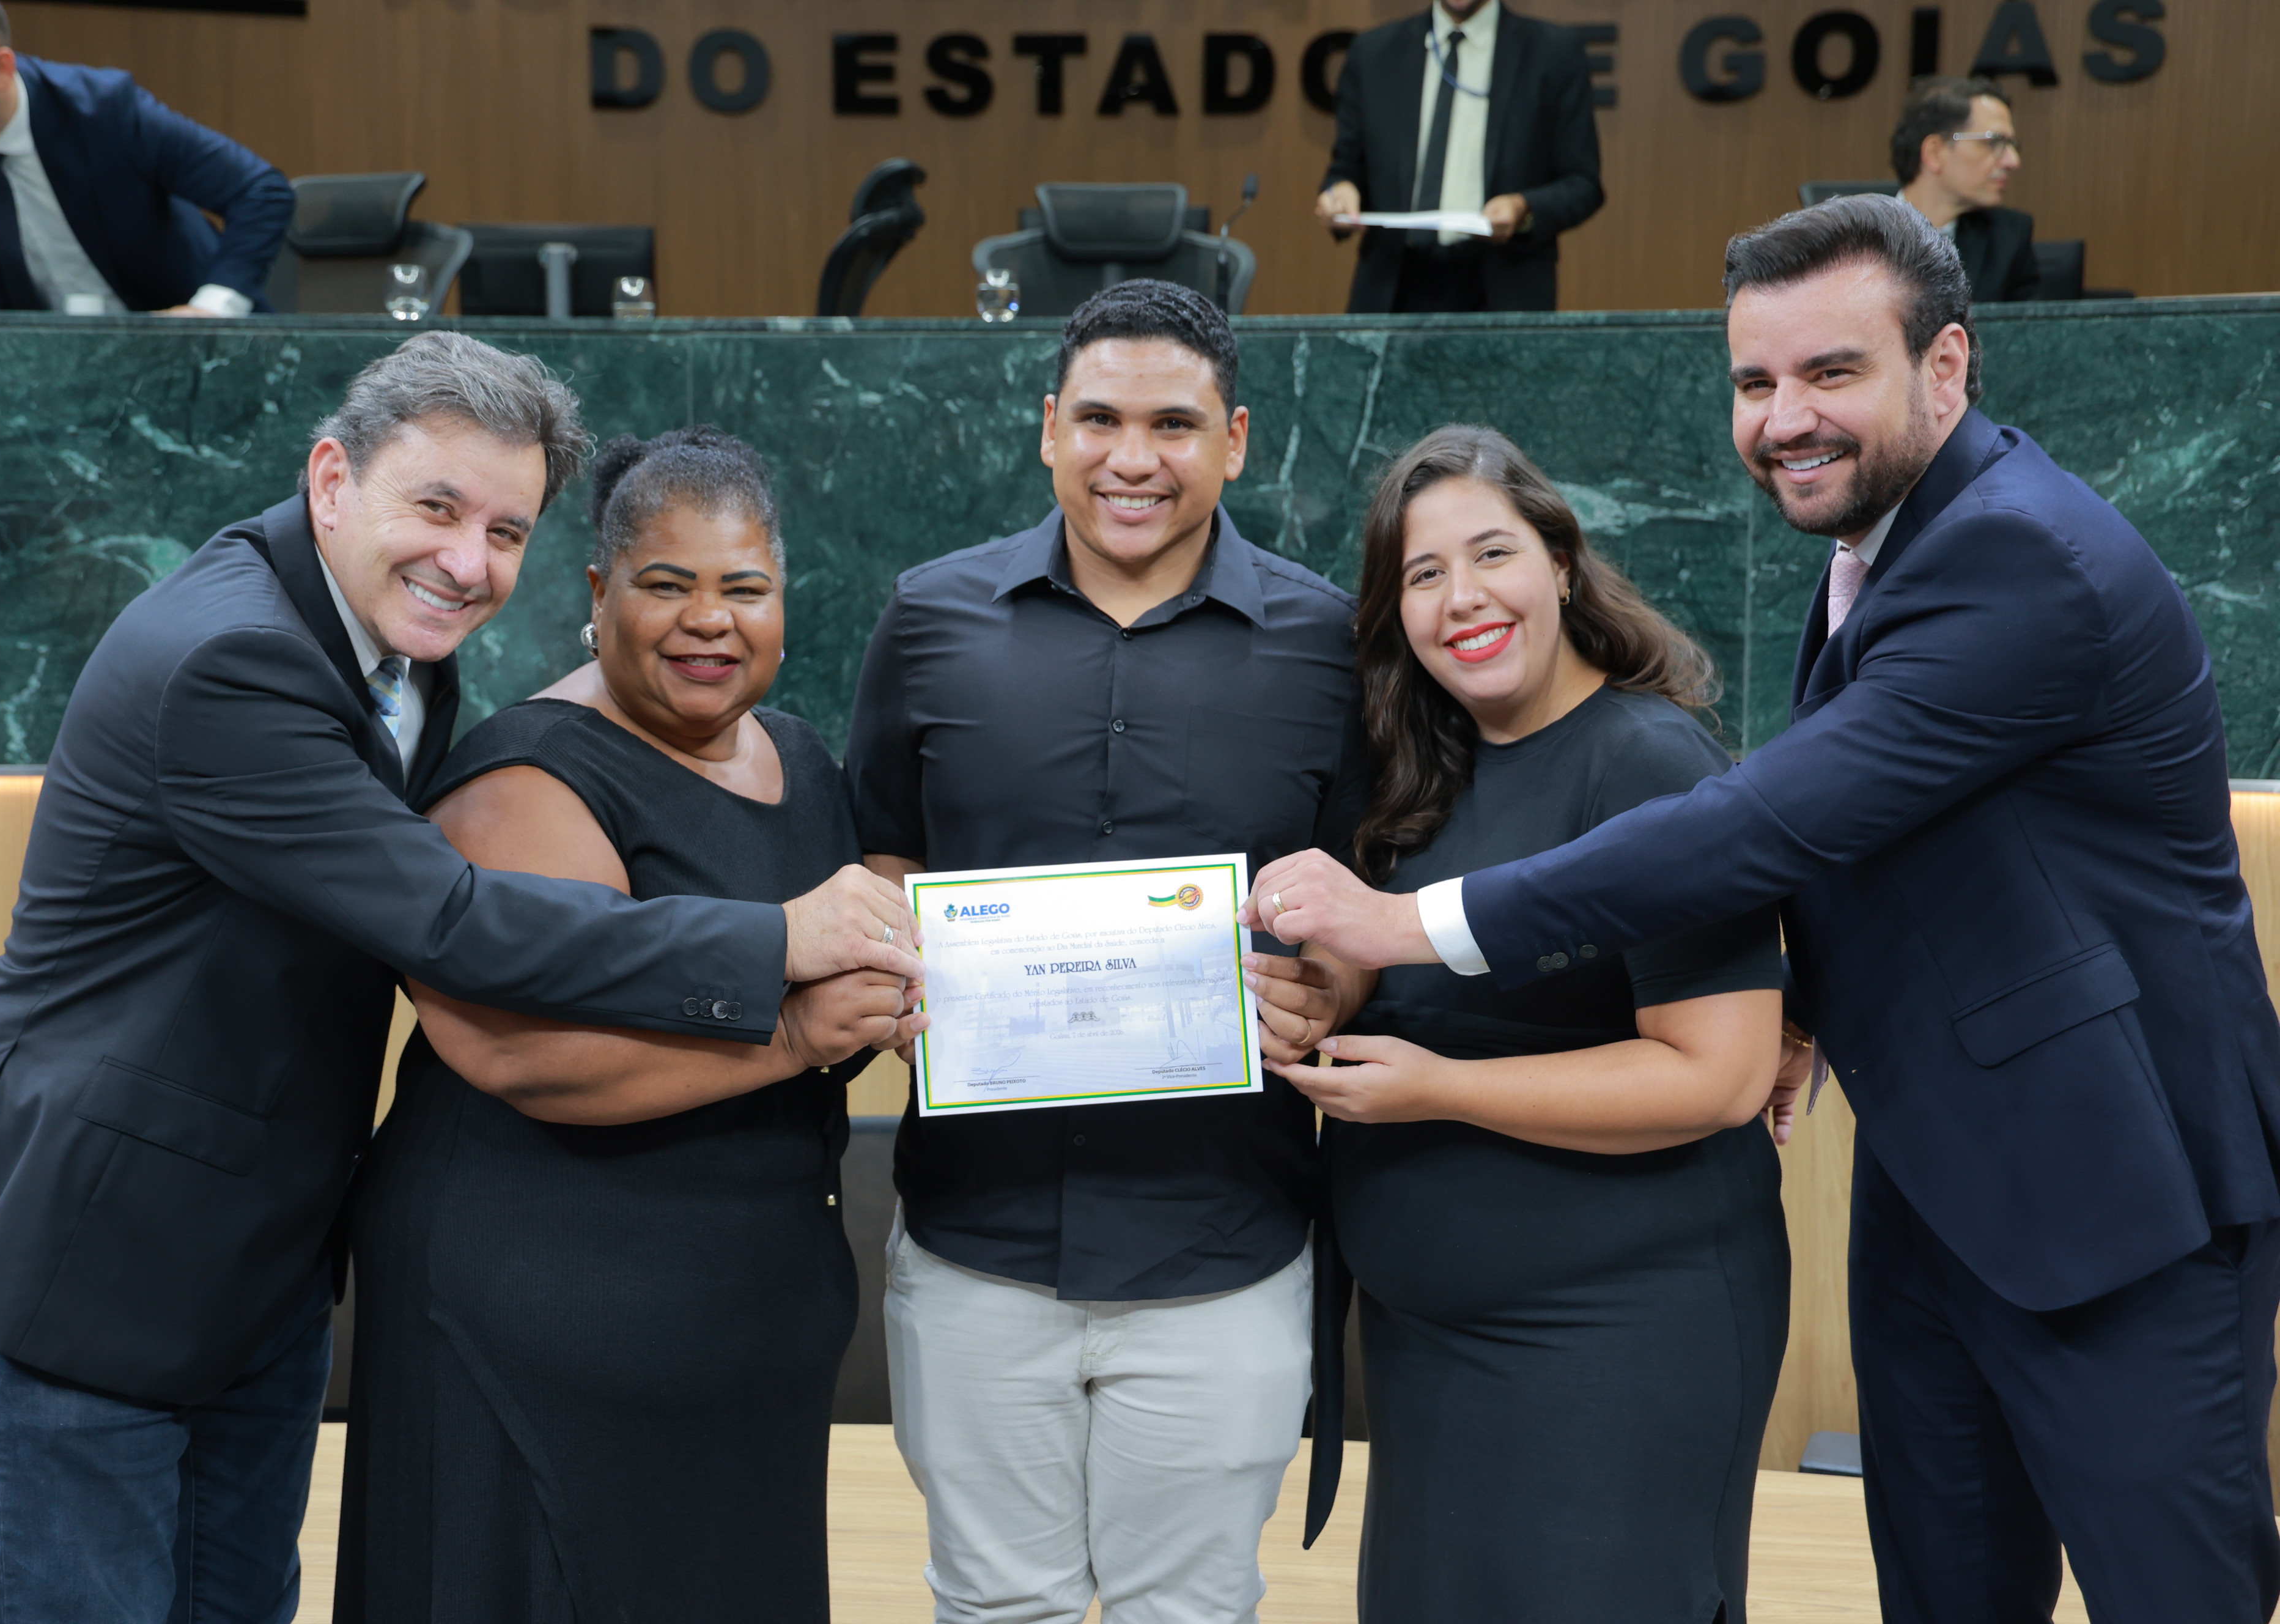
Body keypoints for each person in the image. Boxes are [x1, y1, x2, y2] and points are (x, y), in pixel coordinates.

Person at [1246, 194, 2280, 1622]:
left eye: (1830, 372)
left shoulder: (2020, 553)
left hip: (2120, 1189)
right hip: (1940, 1180)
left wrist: (1408, 925)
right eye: (1755, 381)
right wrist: (1806, 1001)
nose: (1785, 418)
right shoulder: (1883, 549)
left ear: (1947, 365)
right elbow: (1891, 832)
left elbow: (1765, 823)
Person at [0, 333, 922, 1624]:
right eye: (437, 508)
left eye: (505, 531)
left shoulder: (396, 649)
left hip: (267, 1238)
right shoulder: (231, 657)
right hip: (115, 1238)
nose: (467, 560)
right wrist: (775, 944)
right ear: (331, 478)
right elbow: (452, 920)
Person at [844, 278, 1362, 1623]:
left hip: (1224, 1242)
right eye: (1099, 420)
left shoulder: (1328, 643)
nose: (1133, 457)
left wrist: (1328, 987)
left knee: (1186, 1610)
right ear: (1047, 429)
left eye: (1173, 424)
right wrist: (899, 965)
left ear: (1234, 441)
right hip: (976, 1238)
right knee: (989, 1604)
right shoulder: (928, 618)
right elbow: (884, 854)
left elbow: (1368, 895)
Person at [336, 427, 916, 1623]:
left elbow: (840, 977)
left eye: (743, 587)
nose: (709, 620)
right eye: (666, 584)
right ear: (599, 595)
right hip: (536, 1318)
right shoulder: (525, 778)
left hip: (734, 1330)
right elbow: (529, 1056)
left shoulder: (805, 760)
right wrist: (799, 1036)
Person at [1281, 424, 1788, 1619]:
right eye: (1422, 573)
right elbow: (1410, 971)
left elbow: (1718, 1075)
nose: (1462, 597)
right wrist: (1318, 997)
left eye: (1492, 553)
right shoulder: (1416, 769)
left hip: (1616, 1337)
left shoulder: (1647, 760)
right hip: (1423, 1346)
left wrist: (1436, 1088)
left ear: (1561, 562)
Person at [0, 0, 292, 315]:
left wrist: (211, 309)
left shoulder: (103, 110)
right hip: (47, 369)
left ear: (2, 68)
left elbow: (259, 190)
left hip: (185, 346)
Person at [1314, 0, 1604, 314]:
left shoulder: (1553, 53)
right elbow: (1345, 169)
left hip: (1502, 291)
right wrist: (1339, 194)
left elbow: (1582, 183)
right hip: (1394, 290)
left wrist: (1523, 208)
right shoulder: (1374, 53)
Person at [1892, 75, 2038, 303]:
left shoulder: (2008, 238)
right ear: (1935, 153)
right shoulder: (1852, 233)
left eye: (2011, 145)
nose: (2013, 161)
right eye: (1994, 143)